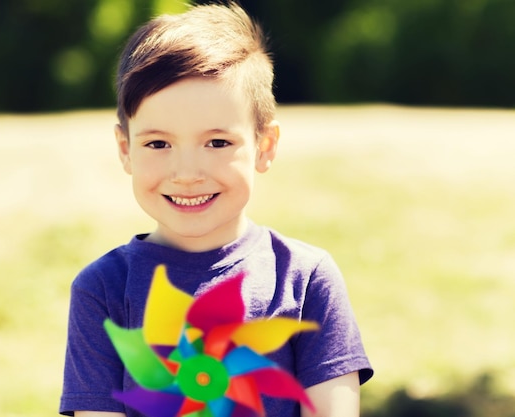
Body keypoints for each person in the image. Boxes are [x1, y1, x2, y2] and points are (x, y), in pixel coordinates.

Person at [60, 3, 373, 417]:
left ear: (265, 146)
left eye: (217, 143)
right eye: (158, 144)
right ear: (125, 150)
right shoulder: (102, 289)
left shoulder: (305, 279)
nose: (187, 173)